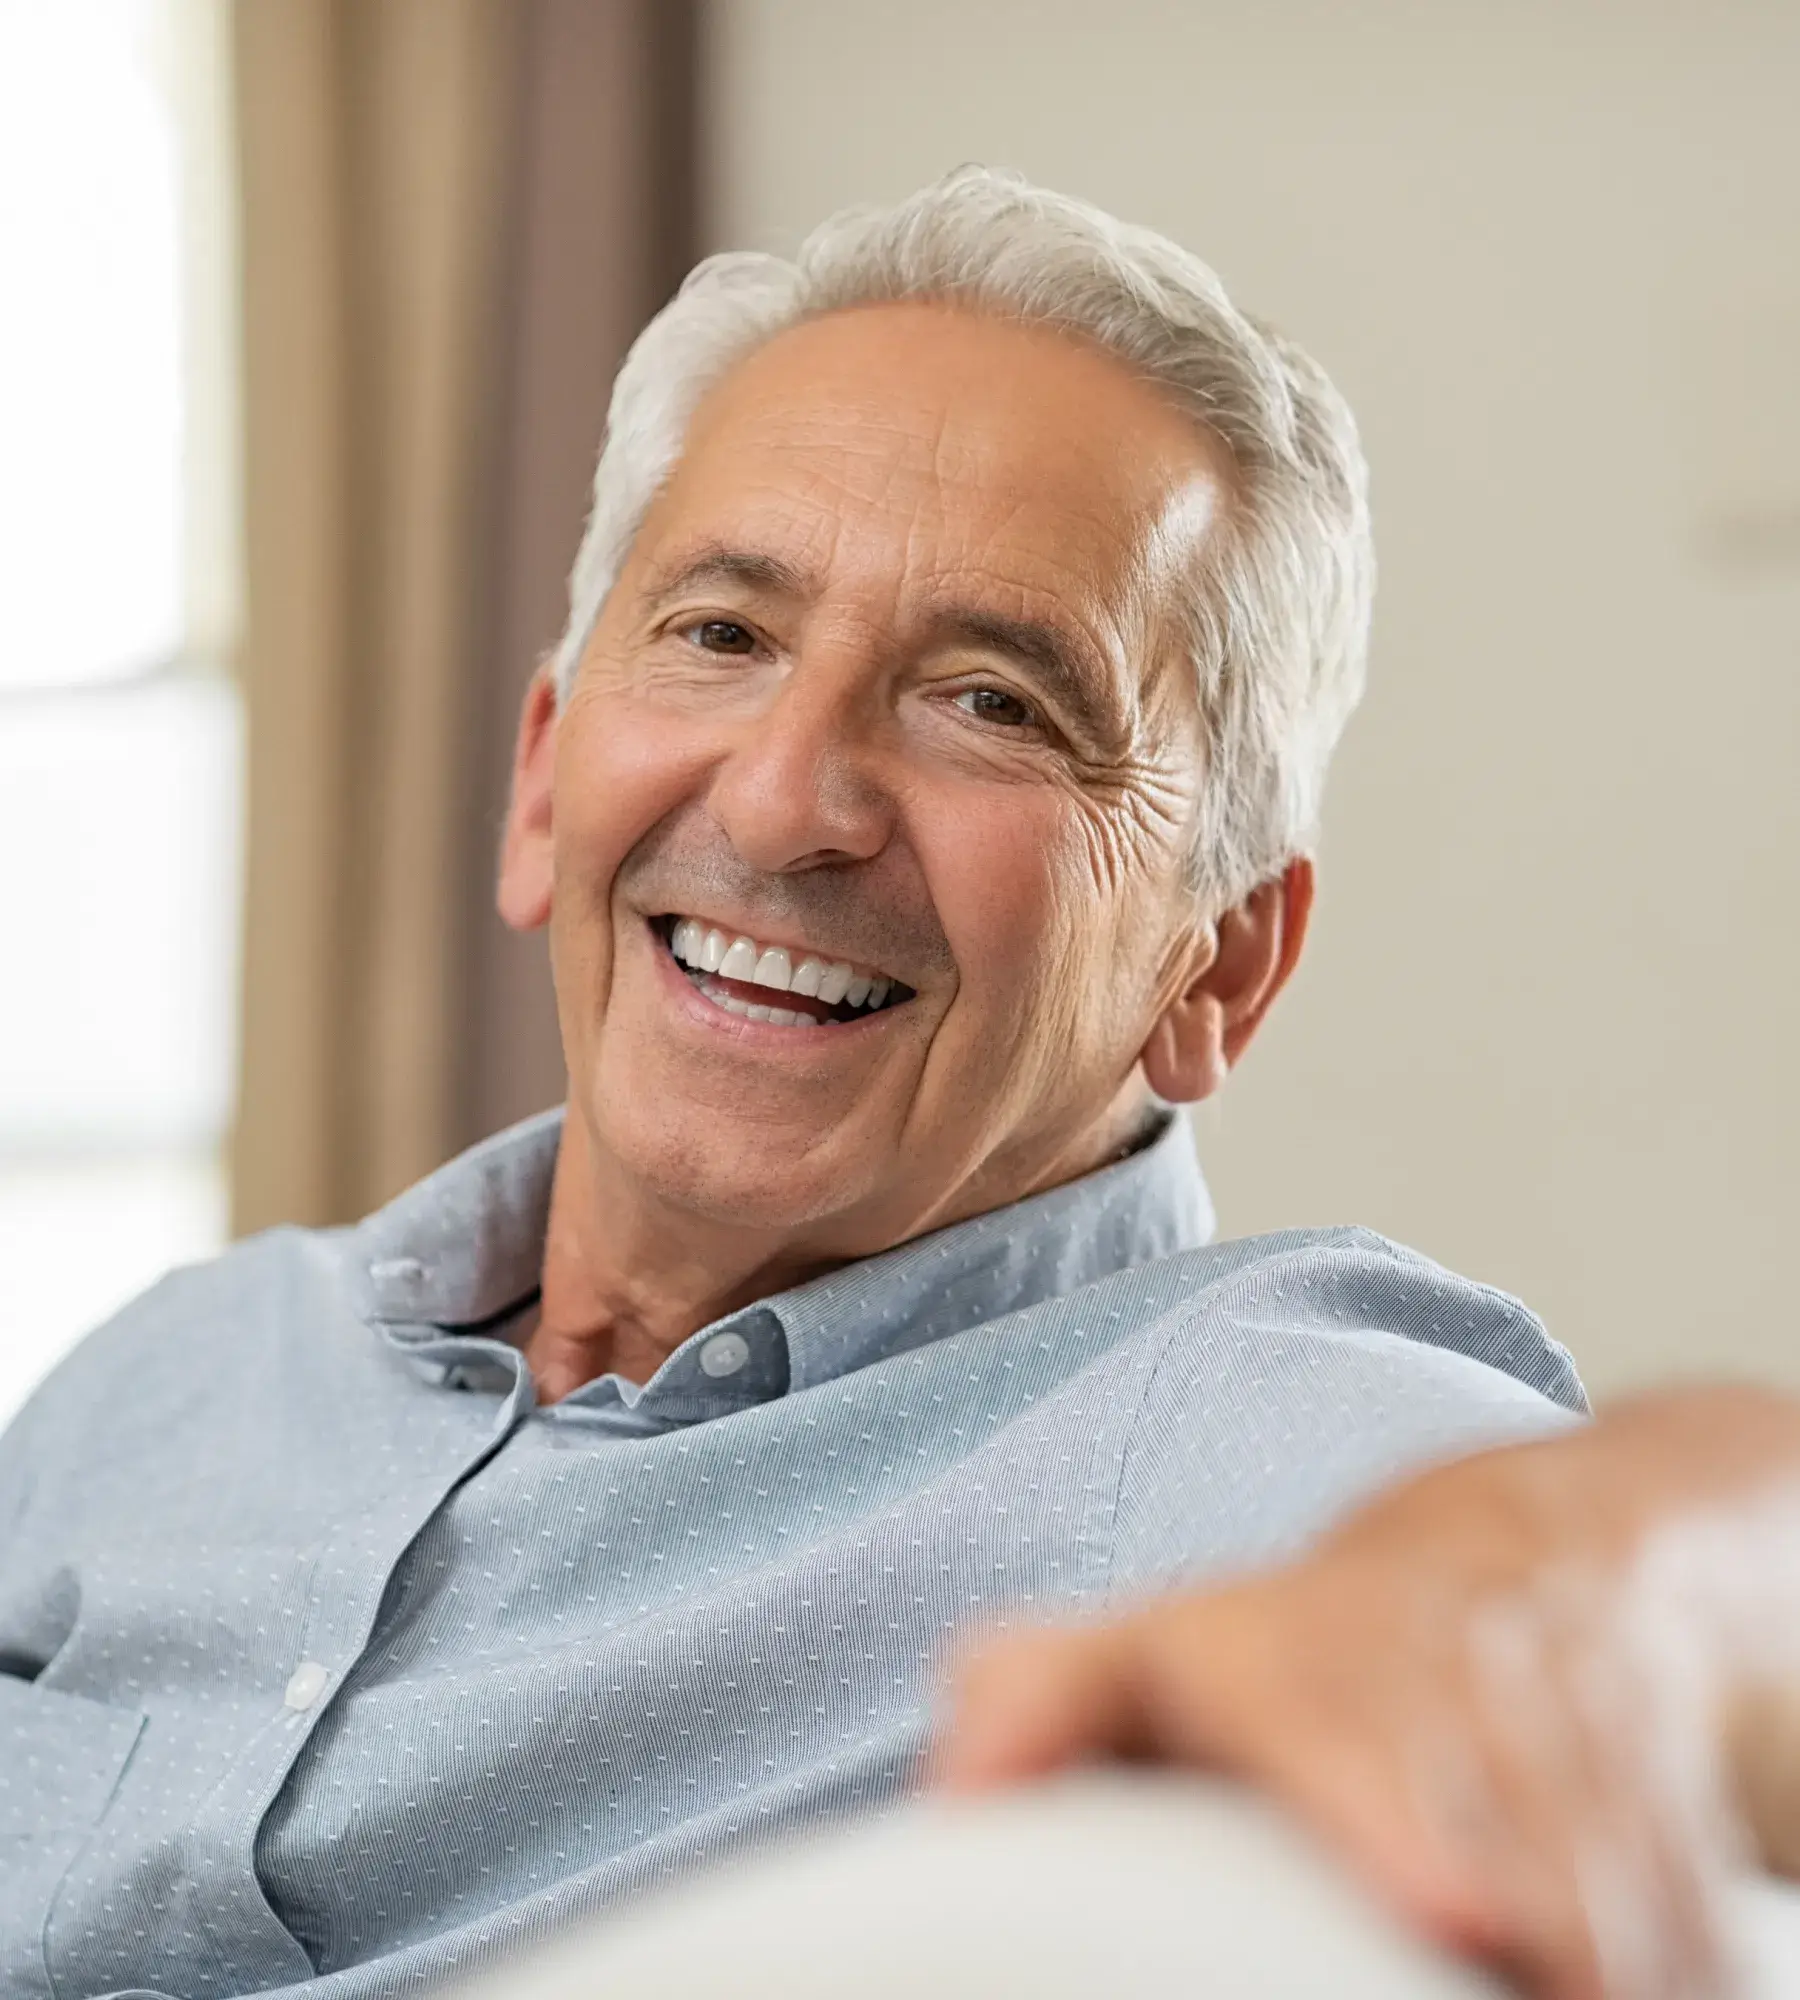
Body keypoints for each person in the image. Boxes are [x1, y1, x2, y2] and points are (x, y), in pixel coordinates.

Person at [1, 168, 1794, 2000]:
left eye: (994, 703)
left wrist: (1575, 1593)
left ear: (1218, 963)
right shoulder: (185, 1367)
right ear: (546, 781)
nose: (787, 801)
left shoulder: (1211, 1424)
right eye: (723, 635)